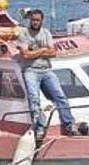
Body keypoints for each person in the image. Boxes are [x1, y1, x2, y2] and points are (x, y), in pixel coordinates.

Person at [16, 9, 77, 139]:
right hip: (30, 70)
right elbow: (26, 54)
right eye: (33, 20)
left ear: (41, 20)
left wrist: (36, 51)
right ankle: (39, 127)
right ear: (30, 20)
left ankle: (69, 124)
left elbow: (53, 53)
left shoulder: (46, 33)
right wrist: (43, 50)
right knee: (34, 99)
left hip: (46, 70)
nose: (35, 22)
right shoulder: (24, 34)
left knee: (60, 95)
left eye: (37, 20)